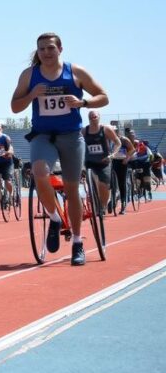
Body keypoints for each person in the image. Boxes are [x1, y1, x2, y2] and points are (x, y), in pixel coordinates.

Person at [10, 32, 108, 266]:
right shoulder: (29, 75)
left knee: (72, 190)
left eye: (50, 48)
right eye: (42, 49)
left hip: (71, 136)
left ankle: (77, 242)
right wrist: (32, 95)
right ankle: (54, 218)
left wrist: (83, 103)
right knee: (39, 172)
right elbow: (14, 107)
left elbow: (103, 97)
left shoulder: (75, 72)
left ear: (60, 49)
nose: (46, 53)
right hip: (43, 135)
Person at [83, 110, 120, 210]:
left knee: (103, 185)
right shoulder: (84, 131)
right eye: (91, 116)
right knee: (92, 184)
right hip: (89, 162)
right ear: (88, 118)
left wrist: (113, 154)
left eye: (95, 116)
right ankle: (94, 203)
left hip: (104, 162)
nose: (93, 118)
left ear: (99, 117)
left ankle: (103, 205)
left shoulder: (105, 129)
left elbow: (117, 142)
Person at [124, 127, 153, 201]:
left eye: (133, 134)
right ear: (127, 135)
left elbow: (147, 154)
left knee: (146, 180)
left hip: (142, 162)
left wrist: (150, 162)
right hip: (129, 161)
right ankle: (135, 190)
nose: (131, 135)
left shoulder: (139, 143)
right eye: (130, 134)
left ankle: (148, 191)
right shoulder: (124, 142)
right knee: (136, 179)